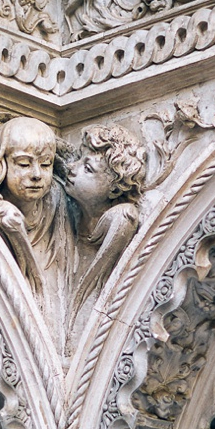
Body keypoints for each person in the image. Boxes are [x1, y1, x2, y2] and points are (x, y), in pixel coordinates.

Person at [0, 118, 74, 333]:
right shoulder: (0, 213)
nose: (36, 174)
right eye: (23, 164)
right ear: (0, 163)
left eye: (45, 164)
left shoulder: (57, 200)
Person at [63, 123, 146, 319]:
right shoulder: (66, 211)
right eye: (78, 159)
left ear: (115, 189)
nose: (71, 168)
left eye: (88, 168)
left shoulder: (121, 219)